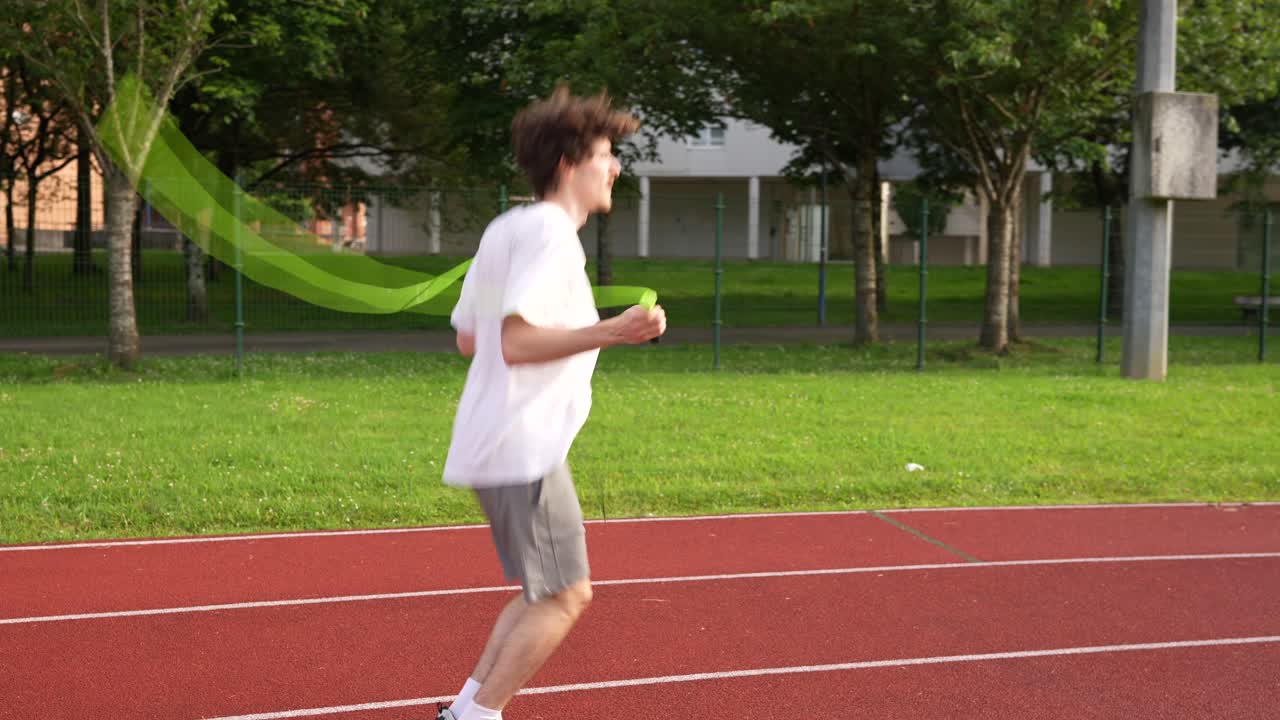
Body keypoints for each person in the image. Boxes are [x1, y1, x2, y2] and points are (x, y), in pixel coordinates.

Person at [438, 87, 667, 720]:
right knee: (567, 594)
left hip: (497, 438)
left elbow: (469, 338)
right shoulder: (549, 233)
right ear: (569, 165)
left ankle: (464, 710)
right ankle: (478, 716)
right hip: (523, 443)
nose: (615, 167)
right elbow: (512, 342)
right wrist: (614, 331)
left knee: (546, 591)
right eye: (605, 155)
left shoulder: (508, 227)